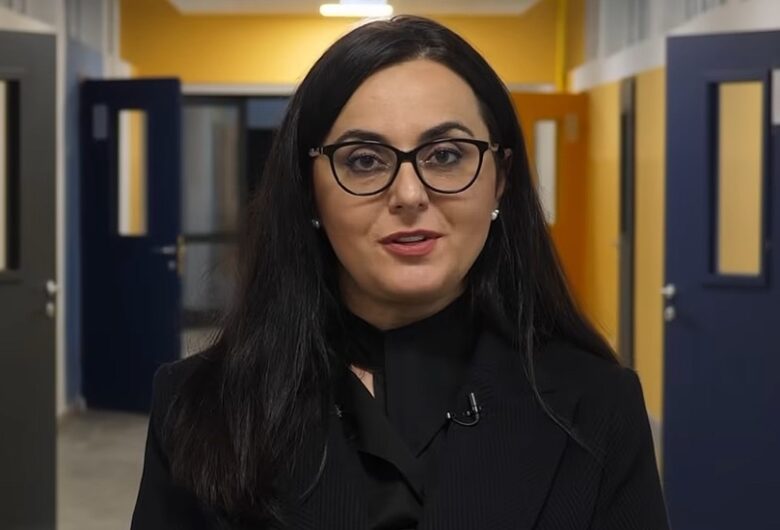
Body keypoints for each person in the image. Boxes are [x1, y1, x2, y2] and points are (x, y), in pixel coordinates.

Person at [131, 15, 670, 530]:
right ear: (308, 190)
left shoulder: (598, 406)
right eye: (364, 160)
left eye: (446, 155)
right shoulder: (198, 404)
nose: (409, 195)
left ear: (500, 180)